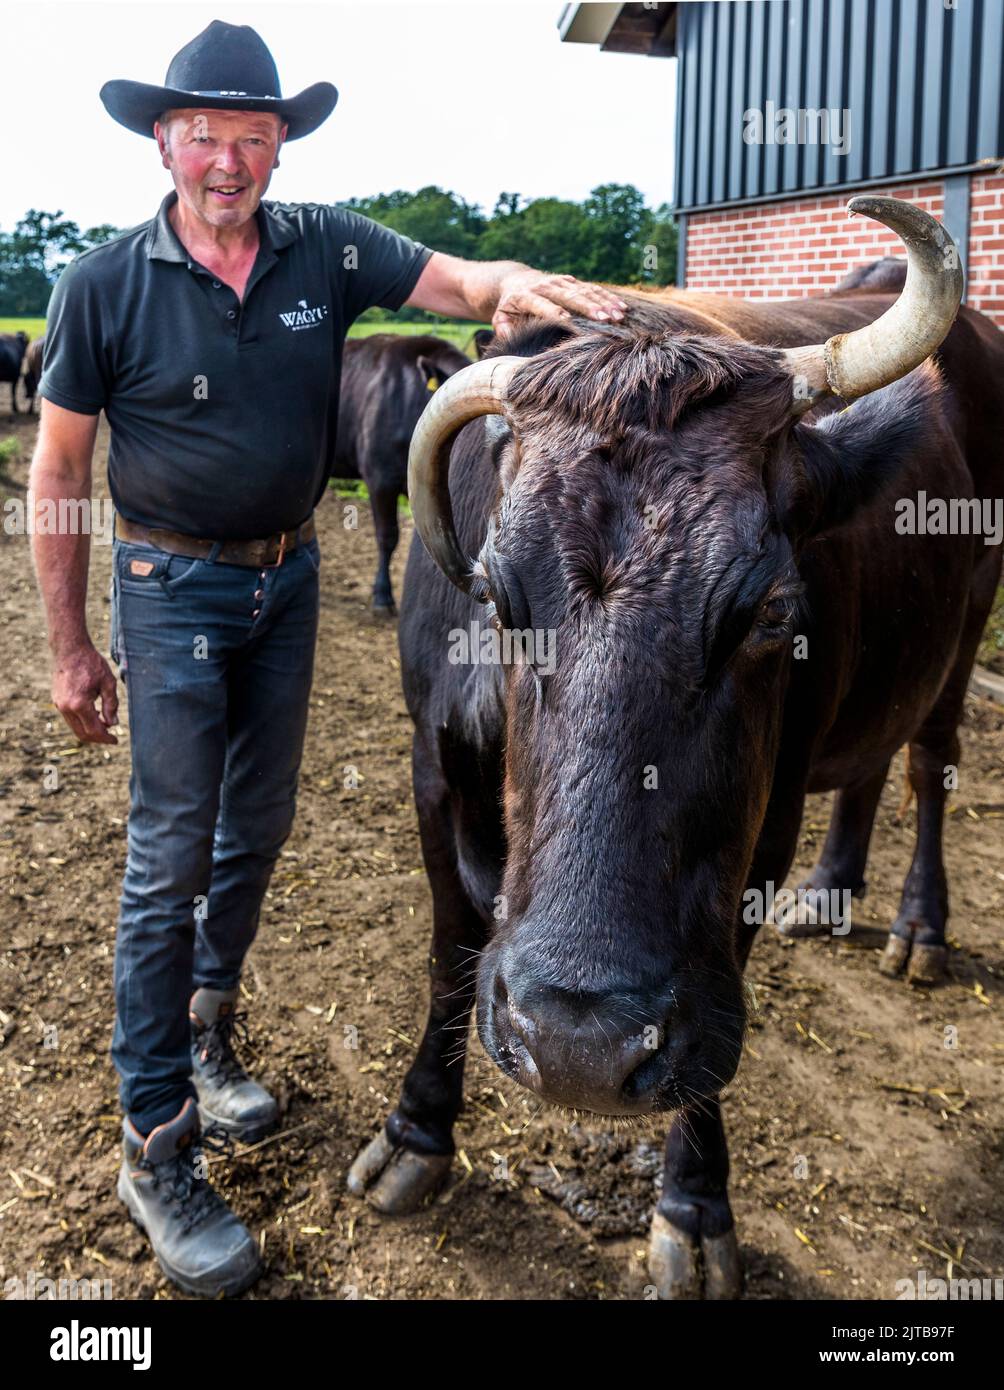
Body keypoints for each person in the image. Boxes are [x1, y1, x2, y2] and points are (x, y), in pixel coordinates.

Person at [28, 19, 627, 1298]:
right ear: (162, 139)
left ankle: (205, 1031)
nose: (230, 159)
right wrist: (71, 641)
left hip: (286, 576)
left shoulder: (327, 246)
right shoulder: (99, 286)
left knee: (255, 827)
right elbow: (61, 468)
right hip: (166, 580)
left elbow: (462, 285)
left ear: (278, 144)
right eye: (207, 134)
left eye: (255, 136)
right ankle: (154, 1145)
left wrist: (519, 290)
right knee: (166, 851)